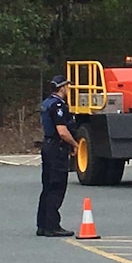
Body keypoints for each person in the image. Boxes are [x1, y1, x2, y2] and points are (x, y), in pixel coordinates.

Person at [36, 75, 79, 236]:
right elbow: (62, 131)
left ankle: (42, 224)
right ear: (62, 87)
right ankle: (52, 226)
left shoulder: (47, 103)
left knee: (47, 187)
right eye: (67, 86)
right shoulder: (59, 105)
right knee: (57, 187)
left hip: (47, 145)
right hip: (57, 148)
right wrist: (75, 144)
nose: (69, 89)